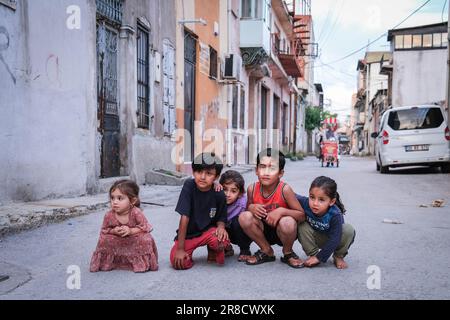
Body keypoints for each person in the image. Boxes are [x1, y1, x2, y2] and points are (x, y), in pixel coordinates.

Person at [239, 148, 306, 268]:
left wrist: (282, 211)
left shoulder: (284, 190)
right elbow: (247, 211)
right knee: (244, 217)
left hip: (283, 232)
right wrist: (252, 207)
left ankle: (288, 253)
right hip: (262, 230)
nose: (266, 172)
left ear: (280, 173)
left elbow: (301, 215)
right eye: (262, 167)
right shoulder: (252, 189)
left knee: (288, 221)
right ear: (256, 170)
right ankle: (266, 250)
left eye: (272, 168)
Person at [170, 152, 230, 270]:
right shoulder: (189, 186)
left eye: (209, 173)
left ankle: (213, 250)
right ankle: (188, 254)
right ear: (193, 172)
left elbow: (221, 218)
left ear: (216, 177)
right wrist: (181, 249)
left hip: (208, 232)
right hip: (189, 235)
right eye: (199, 172)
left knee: (222, 241)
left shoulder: (219, 193)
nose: (202, 177)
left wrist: (221, 228)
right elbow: (184, 217)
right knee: (178, 262)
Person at [90, 179, 158, 272]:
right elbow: (105, 230)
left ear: (132, 201)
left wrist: (130, 231)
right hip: (117, 239)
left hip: (133, 238)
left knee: (145, 239)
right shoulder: (109, 215)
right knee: (104, 240)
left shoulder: (136, 212)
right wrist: (114, 231)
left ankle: (140, 262)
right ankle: (109, 262)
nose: (114, 202)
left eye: (120, 198)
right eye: (112, 198)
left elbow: (144, 227)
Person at [296, 176, 356, 269]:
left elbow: (335, 238)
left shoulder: (335, 214)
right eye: (312, 197)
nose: (315, 203)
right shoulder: (305, 202)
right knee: (302, 225)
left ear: (331, 201)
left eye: (321, 200)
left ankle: (338, 256)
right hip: (316, 237)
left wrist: (320, 258)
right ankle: (313, 254)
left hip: (333, 240)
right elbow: (290, 194)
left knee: (348, 229)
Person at [219, 170, 253, 262]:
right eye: (225, 189)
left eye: (233, 191)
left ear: (240, 193)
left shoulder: (243, 202)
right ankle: (226, 247)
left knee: (237, 221)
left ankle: (245, 249)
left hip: (240, 231)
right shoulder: (217, 200)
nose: (228, 194)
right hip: (224, 229)